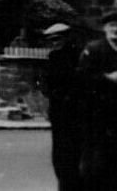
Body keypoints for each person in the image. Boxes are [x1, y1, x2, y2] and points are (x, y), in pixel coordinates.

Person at [42, 22, 85, 190]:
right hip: (61, 112)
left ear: (67, 38)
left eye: (58, 39)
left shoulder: (75, 56)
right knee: (63, 154)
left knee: (70, 155)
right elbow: (42, 81)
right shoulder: (55, 57)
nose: (54, 43)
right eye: (52, 40)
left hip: (73, 112)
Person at [78, 12, 117, 187]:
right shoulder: (94, 49)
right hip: (98, 115)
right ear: (105, 28)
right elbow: (83, 78)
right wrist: (107, 78)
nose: (116, 30)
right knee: (97, 163)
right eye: (112, 26)